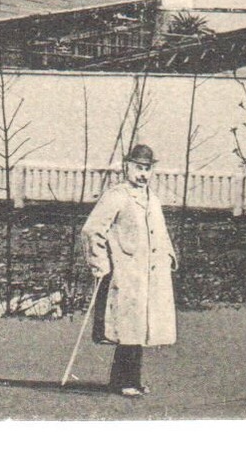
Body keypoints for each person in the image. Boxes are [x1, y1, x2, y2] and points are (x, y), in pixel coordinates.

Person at [81, 144, 177, 397]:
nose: (143, 174)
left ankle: (132, 380)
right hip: (126, 272)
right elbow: (92, 230)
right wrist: (100, 263)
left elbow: (161, 233)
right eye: (138, 168)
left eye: (147, 169)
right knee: (127, 328)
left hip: (150, 275)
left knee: (142, 328)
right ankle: (122, 381)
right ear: (127, 167)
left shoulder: (152, 200)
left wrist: (168, 256)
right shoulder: (117, 196)